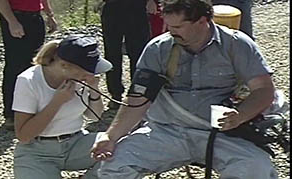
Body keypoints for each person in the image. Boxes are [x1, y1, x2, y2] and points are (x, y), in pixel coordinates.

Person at [90, 0, 278, 178]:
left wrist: (240, 115)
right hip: (167, 131)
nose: (170, 32)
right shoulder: (158, 49)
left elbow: (264, 90)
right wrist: (110, 137)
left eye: (178, 27)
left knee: (256, 169)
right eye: (168, 26)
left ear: (202, 21)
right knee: (115, 165)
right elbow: (137, 99)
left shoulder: (236, 45)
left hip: (222, 135)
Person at [12, 36, 113, 179]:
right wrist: (57, 102)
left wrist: (94, 89)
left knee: (122, 146)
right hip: (38, 151)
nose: (91, 73)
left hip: (76, 142)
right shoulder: (28, 80)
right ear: (64, 65)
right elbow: (24, 135)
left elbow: (94, 116)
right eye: (87, 69)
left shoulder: (80, 79)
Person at [0, 0, 58, 130]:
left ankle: (32, 109)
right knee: (16, 66)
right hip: (16, 17)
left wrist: (49, 15)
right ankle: (11, 114)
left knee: (36, 63)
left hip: (35, 17)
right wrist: (12, 22)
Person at [101, 0, 150, 109]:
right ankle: (115, 93)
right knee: (112, 52)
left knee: (138, 53)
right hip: (112, 7)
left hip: (137, 7)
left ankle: (137, 92)